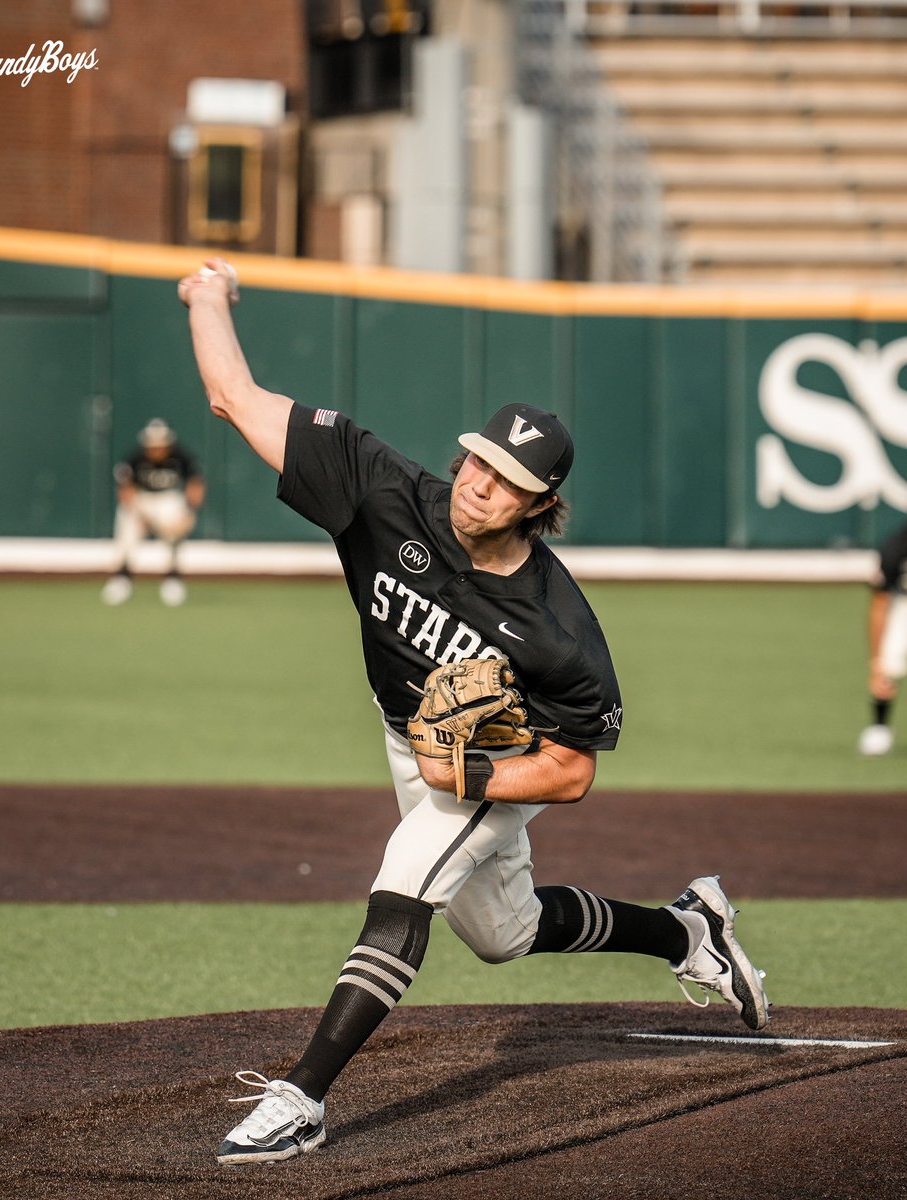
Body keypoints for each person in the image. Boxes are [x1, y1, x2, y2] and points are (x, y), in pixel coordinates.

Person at [178, 257, 771, 1167]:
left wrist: (474, 775)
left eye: (504, 480)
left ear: (540, 504)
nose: (477, 484)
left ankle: (300, 1099)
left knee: (408, 877)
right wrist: (208, 298)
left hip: (502, 754)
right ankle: (691, 929)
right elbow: (233, 396)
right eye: (477, 461)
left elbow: (573, 768)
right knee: (504, 933)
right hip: (408, 733)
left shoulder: (561, 631)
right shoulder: (381, 492)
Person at [100, 418, 205, 607]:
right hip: (142, 500)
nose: (156, 449)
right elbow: (125, 491)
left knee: (173, 527)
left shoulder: (181, 456)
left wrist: (189, 511)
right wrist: (142, 515)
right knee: (126, 527)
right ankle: (122, 578)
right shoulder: (135, 458)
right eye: (152, 445)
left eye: (161, 444)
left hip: (168, 499)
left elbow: (195, 484)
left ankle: (173, 579)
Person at [858, 521, 907, 756]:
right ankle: (879, 727)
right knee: (886, 666)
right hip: (904, 609)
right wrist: (877, 658)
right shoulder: (896, 547)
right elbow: (880, 605)